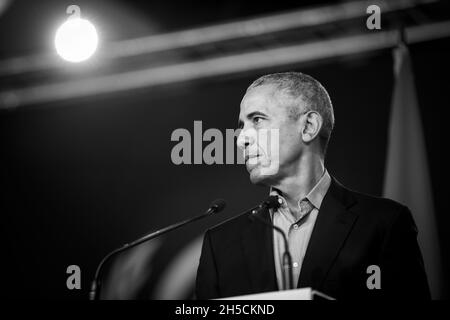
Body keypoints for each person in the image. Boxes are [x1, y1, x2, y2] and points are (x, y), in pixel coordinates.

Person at [195, 72, 430, 300]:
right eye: (241, 125)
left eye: (257, 120)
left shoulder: (384, 223)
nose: (240, 139)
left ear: (308, 126)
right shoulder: (220, 244)